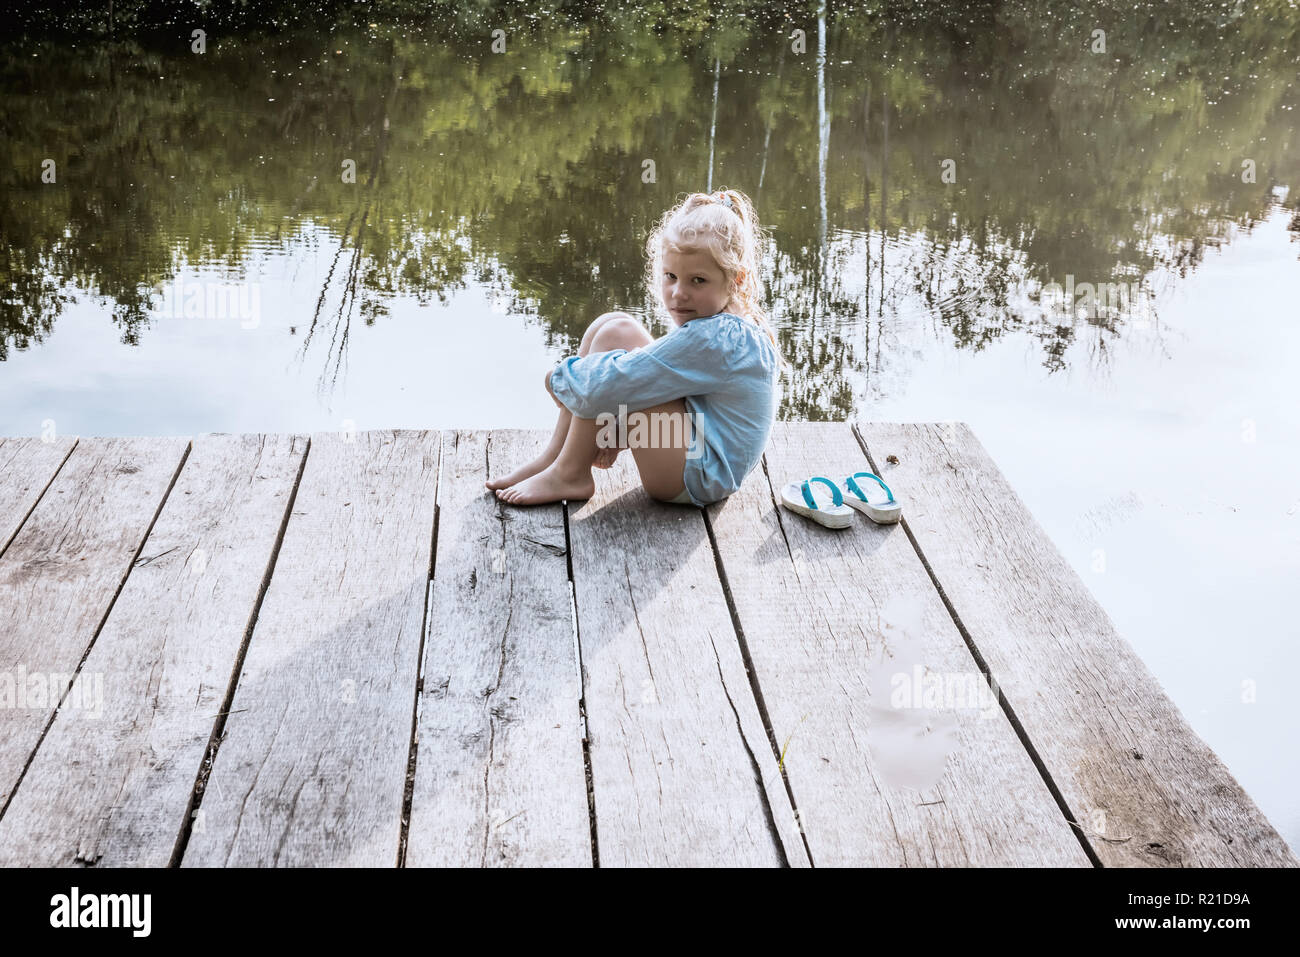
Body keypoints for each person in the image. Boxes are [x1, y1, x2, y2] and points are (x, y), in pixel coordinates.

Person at [486, 187, 789, 507]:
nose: (678, 293)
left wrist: (559, 380)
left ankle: (570, 472)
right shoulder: (728, 326)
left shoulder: (718, 339)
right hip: (700, 454)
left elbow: (611, 384)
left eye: (697, 280)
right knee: (615, 329)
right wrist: (611, 423)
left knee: (606, 379)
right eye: (671, 276)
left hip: (697, 477)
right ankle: (556, 459)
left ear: (736, 280)